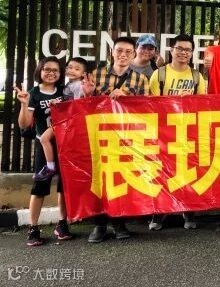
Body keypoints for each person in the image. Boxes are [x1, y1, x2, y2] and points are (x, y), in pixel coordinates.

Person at [81, 36, 150, 243]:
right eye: (119, 50)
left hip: (125, 137)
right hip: (100, 135)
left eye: (128, 52)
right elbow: (84, 107)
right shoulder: (96, 74)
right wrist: (88, 94)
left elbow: (147, 109)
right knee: (100, 179)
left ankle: (120, 222)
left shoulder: (140, 79)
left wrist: (129, 99)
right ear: (112, 52)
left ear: (134, 54)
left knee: (121, 178)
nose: (123, 55)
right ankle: (100, 225)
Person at [148, 34, 206, 231]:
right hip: (163, 132)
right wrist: (174, 102)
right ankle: (158, 214)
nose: (183, 53)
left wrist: (190, 101)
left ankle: (189, 212)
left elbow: (203, 106)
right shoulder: (159, 74)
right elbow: (152, 105)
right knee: (162, 173)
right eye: (180, 48)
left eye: (188, 50)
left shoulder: (197, 77)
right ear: (171, 50)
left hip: (187, 132)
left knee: (188, 173)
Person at [14, 57, 73, 246]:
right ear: (39, 71)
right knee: (40, 187)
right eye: (47, 69)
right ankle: (33, 228)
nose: (51, 73)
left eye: (55, 70)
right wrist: (24, 104)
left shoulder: (64, 92)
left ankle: (62, 224)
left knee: (64, 187)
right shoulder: (33, 93)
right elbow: (24, 124)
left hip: (64, 145)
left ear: (60, 73)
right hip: (44, 145)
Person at [33, 57, 89, 182]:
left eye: (77, 69)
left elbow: (76, 105)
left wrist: (60, 105)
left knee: (44, 138)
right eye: (70, 67)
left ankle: (50, 167)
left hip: (69, 122)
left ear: (84, 73)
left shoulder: (78, 86)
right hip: (65, 121)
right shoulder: (70, 84)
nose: (72, 70)